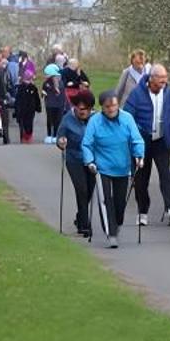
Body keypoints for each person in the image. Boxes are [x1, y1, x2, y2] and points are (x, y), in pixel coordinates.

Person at [80, 90, 145, 248]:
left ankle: (117, 223)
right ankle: (111, 233)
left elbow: (137, 140)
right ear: (102, 107)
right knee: (105, 200)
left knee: (120, 204)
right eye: (107, 106)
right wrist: (89, 161)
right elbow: (86, 144)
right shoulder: (95, 121)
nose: (111, 109)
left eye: (114, 105)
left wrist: (139, 156)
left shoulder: (127, 118)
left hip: (122, 168)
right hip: (102, 168)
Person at [123, 64, 170, 226]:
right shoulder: (137, 93)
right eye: (160, 81)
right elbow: (127, 116)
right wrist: (136, 135)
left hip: (162, 140)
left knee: (165, 174)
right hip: (142, 141)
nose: (163, 84)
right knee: (141, 177)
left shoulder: (169, 93)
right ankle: (142, 212)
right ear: (152, 78)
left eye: (165, 81)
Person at [54, 91, 97, 238]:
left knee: (89, 191)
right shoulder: (68, 119)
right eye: (80, 109)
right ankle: (85, 225)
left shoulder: (96, 119)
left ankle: (80, 217)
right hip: (74, 159)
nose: (82, 112)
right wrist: (61, 142)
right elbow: (59, 137)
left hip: (91, 160)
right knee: (82, 190)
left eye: (86, 109)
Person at [12, 56, 40, 143]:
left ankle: (28, 136)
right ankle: (24, 136)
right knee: (23, 123)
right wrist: (16, 109)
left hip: (30, 108)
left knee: (29, 123)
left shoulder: (33, 88)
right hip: (22, 108)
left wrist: (38, 107)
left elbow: (36, 98)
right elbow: (18, 98)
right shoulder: (21, 87)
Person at [41, 62, 67, 144]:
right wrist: (43, 93)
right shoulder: (47, 82)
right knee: (49, 120)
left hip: (59, 104)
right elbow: (43, 90)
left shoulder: (61, 82)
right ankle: (49, 135)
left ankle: (55, 135)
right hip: (49, 104)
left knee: (57, 120)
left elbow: (62, 94)